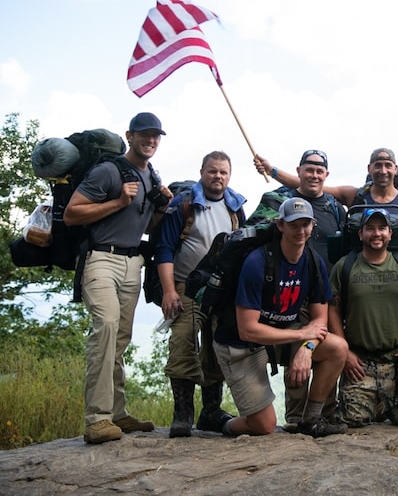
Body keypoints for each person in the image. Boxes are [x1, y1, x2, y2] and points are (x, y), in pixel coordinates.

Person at [64, 112, 172, 444]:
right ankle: (96, 419)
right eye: (145, 135)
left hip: (132, 262)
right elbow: (72, 214)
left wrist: (162, 209)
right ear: (130, 135)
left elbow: (144, 226)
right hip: (100, 259)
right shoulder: (108, 171)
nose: (150, 140)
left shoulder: (151, 176)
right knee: (106, 328)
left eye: (156, 136)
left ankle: (117, 413)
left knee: (120, 339)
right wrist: (118, 200)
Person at [212, 197, 349, 438]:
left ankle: (310, 421)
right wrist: (300, 334)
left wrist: (306, 349)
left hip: (280, 335)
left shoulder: (313, 262)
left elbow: (320, 321)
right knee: (263, 426)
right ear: (281, 225)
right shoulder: (258, 262)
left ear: (312, 226)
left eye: (306, 224)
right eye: (294, 224)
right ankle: (220, 422)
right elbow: (248, 329)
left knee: (338, 348)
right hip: (241, 343)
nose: (301, 230)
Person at [154, 151, 247, 437]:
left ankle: (210, 411)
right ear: (202, 172)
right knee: (183, 341)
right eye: (212, 171)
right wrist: (169, 291)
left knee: (216, 345)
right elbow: (164, 249)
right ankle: (182, 414)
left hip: (220, 290)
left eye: (223, 172)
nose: (217, 177)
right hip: (185, 287)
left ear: (229, 176)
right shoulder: (183, 205)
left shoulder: (236, 206)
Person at [254, 149, 346, 431]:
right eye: (309, 169)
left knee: (327, 349)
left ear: (326, 175)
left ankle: (322, 415)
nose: (314, 174)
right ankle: (296, 417)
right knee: (299, 349)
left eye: (320, 170)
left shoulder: (334, 208)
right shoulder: (280, 200)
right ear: (299, 171)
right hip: (290, 289)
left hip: (328, 293)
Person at [328, 208, 398, 427]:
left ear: (390, 234)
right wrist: (344, 351)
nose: (376, 234)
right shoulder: (344, 267)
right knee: (354, 421)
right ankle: (373, 403)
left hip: (397, 360)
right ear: (360, 234)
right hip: (359, 361)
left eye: (382, 228)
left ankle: (384, 404)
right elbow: (333, 309)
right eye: (370, 228)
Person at [257, 148, 398, 230]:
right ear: (369, 168)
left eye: (387, 166)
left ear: (395, 169)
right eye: (378, 166)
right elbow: (312, 185)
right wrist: (273, 172)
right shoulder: (355, 196)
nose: (383, 171)